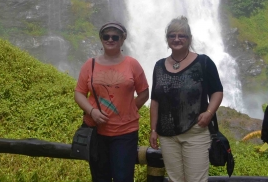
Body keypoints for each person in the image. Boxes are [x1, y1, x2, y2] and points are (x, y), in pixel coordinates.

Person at [149, 16, 223, 182]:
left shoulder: (203, 62)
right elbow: (155, 100)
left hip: (195, 131)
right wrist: (153, 130)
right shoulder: (159, 66)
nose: (176, 39)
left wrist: (209, 113)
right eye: (172, 35)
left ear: (189, 39)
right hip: (167, 135)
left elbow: (217, 91)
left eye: (181, 35)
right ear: (167, 39)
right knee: (175, 179)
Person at [74, 22, 149, 182]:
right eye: (106, 36)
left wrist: (128, 110)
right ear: (101, 39)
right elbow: (79, 93)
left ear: (122, 39)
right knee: (100, 178)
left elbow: (144, 93)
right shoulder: (90, 65)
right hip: (96, 131)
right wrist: (92, 111)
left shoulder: (132, 64)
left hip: (126, 133)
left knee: (123, 177)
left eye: (115, 36)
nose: (110, 39)